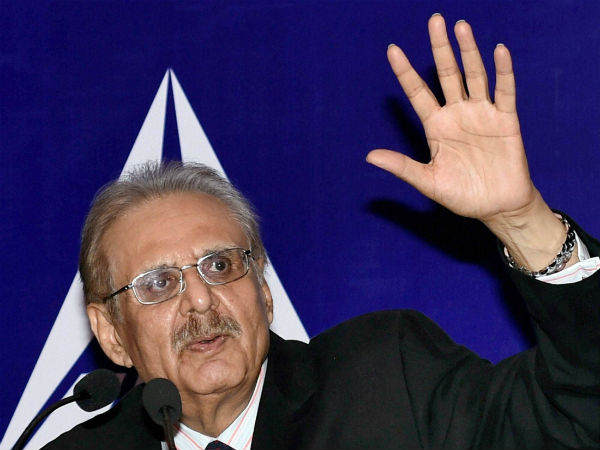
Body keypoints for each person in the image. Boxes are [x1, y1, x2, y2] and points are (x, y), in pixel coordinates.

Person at [44, 14, 599, 450]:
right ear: (111, 334)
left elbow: (577, 418)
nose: (200, 300)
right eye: (159, 283)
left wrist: (521, 220)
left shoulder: (389, 381)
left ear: (262, 290)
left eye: (220, 264)